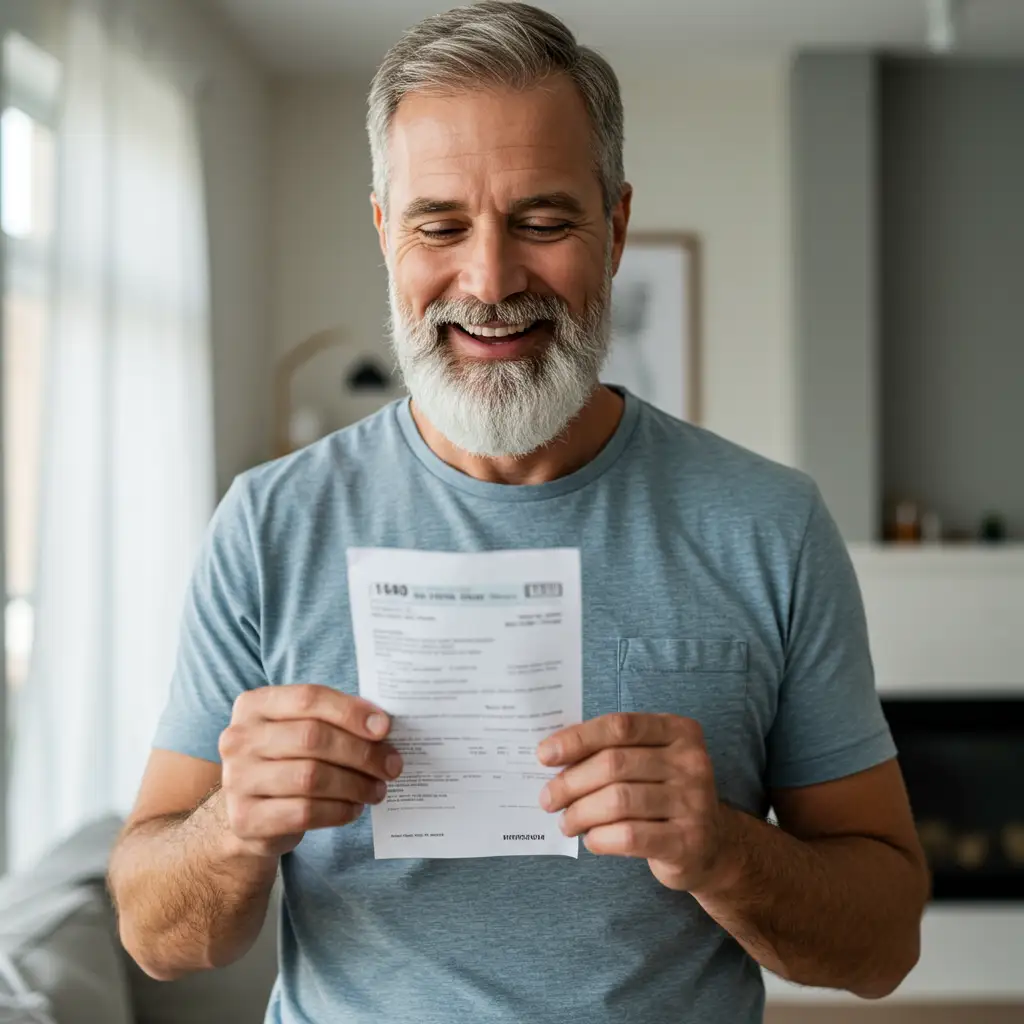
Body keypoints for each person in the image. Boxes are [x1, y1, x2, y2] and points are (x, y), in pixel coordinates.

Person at [107, 4, 930, 1022]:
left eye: (542, 222)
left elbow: (882, 946)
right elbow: (156, 935)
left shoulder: (769, 525)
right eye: (440, 225)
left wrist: (721, 848)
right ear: (384, 231)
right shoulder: (269, 524)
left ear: (615, 229)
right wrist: (233, 824)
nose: (490, 280)